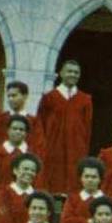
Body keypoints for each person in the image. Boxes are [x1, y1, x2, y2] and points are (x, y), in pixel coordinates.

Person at [37, 59, 93, 194]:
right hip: (53, 149)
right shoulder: (49, 97)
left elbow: (88, 128)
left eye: (76, 72)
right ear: (61, 73)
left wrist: (83, 148)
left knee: (74, 185)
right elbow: (40, 124)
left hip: (76, 149)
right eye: (69, 71)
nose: (73, 75)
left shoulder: (85, 99)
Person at [0, 80, 46, 173]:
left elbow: (38, 146)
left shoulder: (34, 121)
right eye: (9, 96)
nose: (10, 99)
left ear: (25, 96)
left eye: (14, 95)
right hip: (1, 166)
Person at [0, 115, 38, 204]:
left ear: (26, 133)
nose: (17, 132)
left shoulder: (32, 154)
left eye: (21, 130)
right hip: (1, 200)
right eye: (14, 128)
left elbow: (37, 181)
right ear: (8, 130)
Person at [0, 152, 40, 223]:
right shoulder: (4, 194)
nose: (29, 172)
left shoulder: (38, 196)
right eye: (25, 169)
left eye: (33, 170)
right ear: (15, 170)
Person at [59, 157, 106, 223]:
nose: (90, 180)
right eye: (86, 176)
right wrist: (88, 222)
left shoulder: (106, 200)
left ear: (100, 179)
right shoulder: (73, 199)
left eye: (94, 177)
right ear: (81, 178)